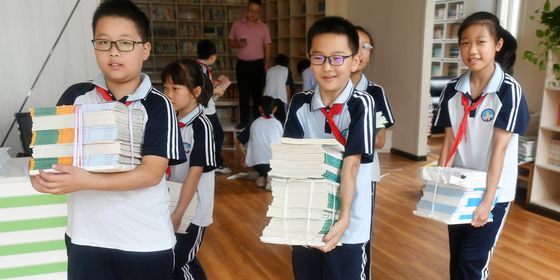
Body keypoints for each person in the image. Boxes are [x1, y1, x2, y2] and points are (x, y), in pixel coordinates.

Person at [31, 1, 186, 279]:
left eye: (125, 43)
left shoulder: (158, 105)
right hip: (86, 240)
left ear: (145, 49)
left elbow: (151, 173)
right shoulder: (75, 97)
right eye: (103, 42)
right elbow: (44, 161)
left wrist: (86, 180)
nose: (113, 52)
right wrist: (42, 177)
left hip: (145, 243)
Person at [434, 11, 529, 280]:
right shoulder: (452, 89)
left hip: (494, 191)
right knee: (458, 257)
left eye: (480, 42)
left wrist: (488, 200)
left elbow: (499, 149)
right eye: (465, 43)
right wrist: (439, 185)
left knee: (472, 262)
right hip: (460, 184)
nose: (471, 50)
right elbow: (449, 141)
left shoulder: (508, 89)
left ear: (498, 45)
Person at [283, 16, 376, 279]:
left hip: (349, 223)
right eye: (318, 58)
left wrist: (344, 217)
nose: (327, 67)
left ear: (354, 60)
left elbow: (352, 165)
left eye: (337, 58)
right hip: (309, 218)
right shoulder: (300, 103)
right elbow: (294, 162)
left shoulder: (362, 104)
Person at [162, 59, 216, 280]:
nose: (169, 94)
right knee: (182, 260)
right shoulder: (171, 120)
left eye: (175, 88)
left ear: (195, 91)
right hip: (170, 202)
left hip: (191, 211)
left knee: (178, 263)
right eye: (165, 88)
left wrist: (178, 213)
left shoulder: (201, 126)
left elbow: (195, 173)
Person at [349, 25, 395, 280]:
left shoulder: (375, 93)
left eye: (365, 46)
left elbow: (379, 140)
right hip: (327, 168)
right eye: (353, 45)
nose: (359, 52)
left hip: (364, 173)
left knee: (360, 228)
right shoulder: (328, 88)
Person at [228, 0, 271, 129]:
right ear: (246, 9)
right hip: (242, 65)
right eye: (251, 10)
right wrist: (237, 45)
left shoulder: (263, 27)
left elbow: (267, 46)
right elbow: (230, 41)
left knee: (258, 94)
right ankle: (244, 120)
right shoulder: (237, 25)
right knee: (243, 94)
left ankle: (257, 121)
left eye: (256, 12)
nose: (253, 14)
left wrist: (266, 65)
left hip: (258, 65)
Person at [196, 39, 231, 174]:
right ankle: (215, 163)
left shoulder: (198, 66)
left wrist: (213, 83)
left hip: (205, 107)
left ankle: (211, 162)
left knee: (212, 135)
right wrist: (217, 90)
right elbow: (202, 89)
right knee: (218, 135)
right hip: (206, 109)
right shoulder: (203, 69)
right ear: (212, 57)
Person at [235, 96, 283, 188]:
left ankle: (262, 176)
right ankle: (270, 178)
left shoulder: (254, 123)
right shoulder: (278, 124)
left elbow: (238, 141)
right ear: (275, 109)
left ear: (260, 108)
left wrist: (245, 156)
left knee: (262, 164)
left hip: (257, 164)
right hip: (274, 163)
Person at [263, 53, 295, 124]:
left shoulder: (269, 70)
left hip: (267, 99)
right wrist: (289, 101)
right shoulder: (286, 70)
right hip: (281, 99)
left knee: (269, 120)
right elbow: (287, 88)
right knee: (282, 122)